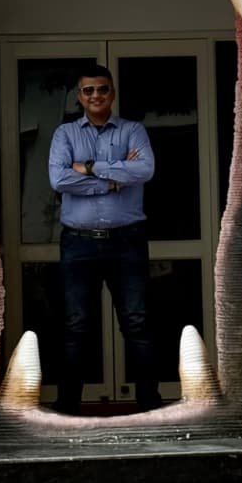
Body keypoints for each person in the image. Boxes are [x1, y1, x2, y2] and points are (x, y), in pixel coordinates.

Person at [48, 66, 159, 414]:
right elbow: (59, 180)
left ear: (112, 93)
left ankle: (150, 406)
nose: (96, 95)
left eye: (102, 89)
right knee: (76, 326)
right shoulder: (65, 133)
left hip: (127, 242)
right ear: (79, 96)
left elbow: (145, 170)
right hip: (78, 243)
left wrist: (90, 167)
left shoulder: (133, 130)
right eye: (88, 90)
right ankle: (68, 408)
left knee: (137, 323)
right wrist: (113, 179)